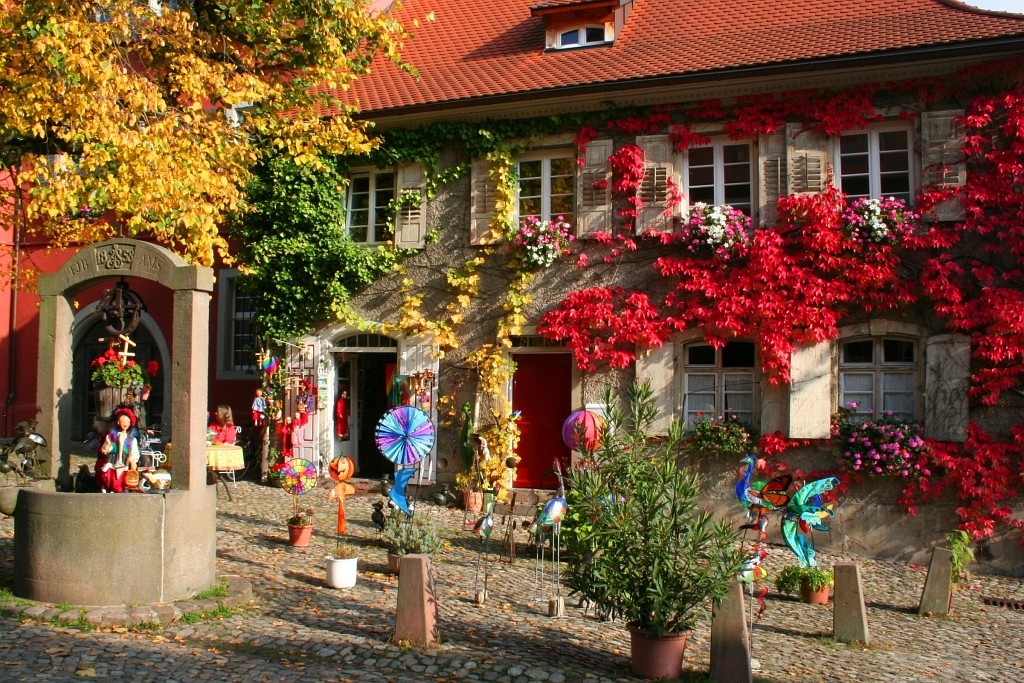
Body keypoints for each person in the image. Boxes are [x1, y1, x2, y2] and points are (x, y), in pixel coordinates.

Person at [99, 407, 141, 493]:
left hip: (124, 465)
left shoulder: (131, 439)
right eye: (123, 421)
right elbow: (106, 450)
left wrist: (133, 462)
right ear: (118, 422)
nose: (125, 424)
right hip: (113, 464)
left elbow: (133, 452)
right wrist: (108, 445)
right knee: (110, 481)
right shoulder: (112, 436)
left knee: (122, 483)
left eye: (127, 422)